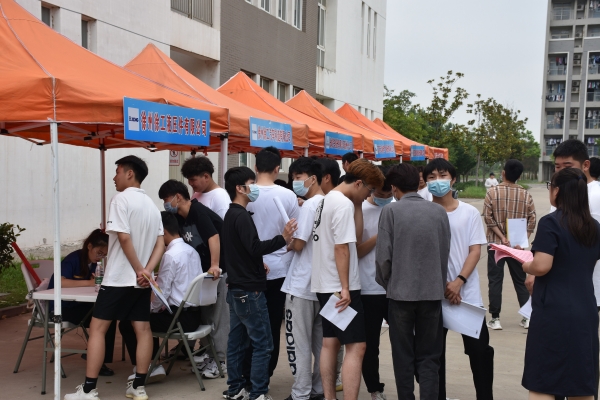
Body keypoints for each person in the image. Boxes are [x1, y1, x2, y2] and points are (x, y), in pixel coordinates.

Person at [65, 155, 164, 400]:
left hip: (119, 278)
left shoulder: (120, 199)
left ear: (130, 173)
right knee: (143, 330)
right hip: (140, 281)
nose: (114, 177)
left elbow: (123, 237)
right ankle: (138, 386)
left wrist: (139, 269)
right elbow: (160, 244)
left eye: (117, 171)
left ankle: (89, 390)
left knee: (98, 329)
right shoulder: (152, 205)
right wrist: (147, 271)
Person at [521, 168, 600, 400]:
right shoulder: (594, 226)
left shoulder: (551, 223)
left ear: (556, 191)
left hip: (553, 311)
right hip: (585, 309)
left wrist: (526, 265)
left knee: (543, 382)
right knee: (581, 383)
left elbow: (542, 266)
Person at [375, 163, 450, 400]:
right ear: (419, 183)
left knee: (403, 355)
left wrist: (389, 283)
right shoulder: (438, 212)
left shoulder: (391, 212)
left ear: (394, 187)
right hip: (432, 293)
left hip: (400, 294)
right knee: (430, 356)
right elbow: (444, 253)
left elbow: (383, 258)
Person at [222, 166, 297, 400]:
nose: (255, 188)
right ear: (240, 188)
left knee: (237, 343)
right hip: (250, 290)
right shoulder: (241, 215)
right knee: (263, 344)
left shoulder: (231, 214)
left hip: (236, 286)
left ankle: (235, 389)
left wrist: (256, 263)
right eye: (251, 184)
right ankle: (258, 392)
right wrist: (283, 238)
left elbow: (240, 250)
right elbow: (254, 247)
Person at [312, 158, 384, 400]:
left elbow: (355, 238)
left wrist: (358, 204)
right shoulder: (342, 204)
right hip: (341, 286)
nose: (370, 195)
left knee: (330, 342)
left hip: (325, 283)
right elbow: (342, 247)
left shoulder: (328, 199)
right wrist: (345, 288)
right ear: (359, 183)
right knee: (357, 346)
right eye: (370, 190)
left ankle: (329, 397)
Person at [424, 159, 494, 400]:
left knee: (479, 352)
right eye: (431, 177)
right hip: (433, 297)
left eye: (442, 175)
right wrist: (441, 285)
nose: (437, 181)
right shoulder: (424, 212)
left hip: (466, 295)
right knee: (434, 356)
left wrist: (458, 281)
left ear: (453, 179)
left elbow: (475, 250)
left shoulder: (469, 213)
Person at [119, 212, 203, 383]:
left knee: (131, 322)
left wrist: (149, 309)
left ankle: (148, 366)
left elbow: (161, 293)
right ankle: (152, 363)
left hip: (179, 320)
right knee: (147, 317)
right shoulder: (191, 250)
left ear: (162, 232)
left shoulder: (170, 255)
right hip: (196, 316)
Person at [158, 179, 227, 378]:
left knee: (217, 317)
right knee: (204, 316)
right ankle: (210, 355)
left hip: (218, 272)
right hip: (203, 274)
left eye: (166, 199)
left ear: (178, 197)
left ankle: (221, 360)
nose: (165, 204)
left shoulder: (198, 212)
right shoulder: (179, 218)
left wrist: (215, 265)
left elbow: (214, 237)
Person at [245, 147, 300, 380]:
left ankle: (247, 376)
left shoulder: (245, 194)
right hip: (279, 269)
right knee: (272, 325)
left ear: (255, 167)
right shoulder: (288, 195)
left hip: (249, 269)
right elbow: (296, 234)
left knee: (248, 326)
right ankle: (264, 376)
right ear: (278, 169)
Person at [281, 158, 326, 400]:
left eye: (298, 178)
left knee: (299, 343)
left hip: (301, 285)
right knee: (322, 344)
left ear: (313, 178)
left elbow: (299, 244)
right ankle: (319, 389)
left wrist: (287, 239)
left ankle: (300, 392)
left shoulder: (309, 206)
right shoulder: (331, 203)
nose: (295, 182)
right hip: (323, 284)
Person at [48, 229, 116, 377]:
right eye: (99, 253)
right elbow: (60, 282)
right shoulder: (73, 259)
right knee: (104, 316)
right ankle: (97, 359)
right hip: (61, 308)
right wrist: (89, 283)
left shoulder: (92, 263)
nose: (100, 257)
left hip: (77, 304)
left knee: (108, 314)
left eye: (104, 255)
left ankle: (96, 355)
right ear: (89, 246)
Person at [484, 160, 536, 330]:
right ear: (519, 175)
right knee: (520, 280)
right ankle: (527, 317)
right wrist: (522, 239)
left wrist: (501, 237)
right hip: (516, 247)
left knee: (495, 280)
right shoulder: (526, 195)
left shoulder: (492, 192)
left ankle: (495, 318)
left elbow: (488, 217)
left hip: (496, 245)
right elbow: (532, 219)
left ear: (503, 173)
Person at [357, 166, 393, 400]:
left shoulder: (397, 209)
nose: (384, 198)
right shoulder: (360, 209)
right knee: (370, 345)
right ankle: (374, 389)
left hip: (393, 289)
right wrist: (380, 236)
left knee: (404, 341)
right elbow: (357, 251)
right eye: (380, 194)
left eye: (388, 195)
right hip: (367, 288)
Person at [182, 155, 231, 220]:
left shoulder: (220, 197)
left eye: (193, 179)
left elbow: (224, 224)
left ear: (206, 177)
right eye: (188, 179)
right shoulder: (196, 194)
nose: (190, 183)